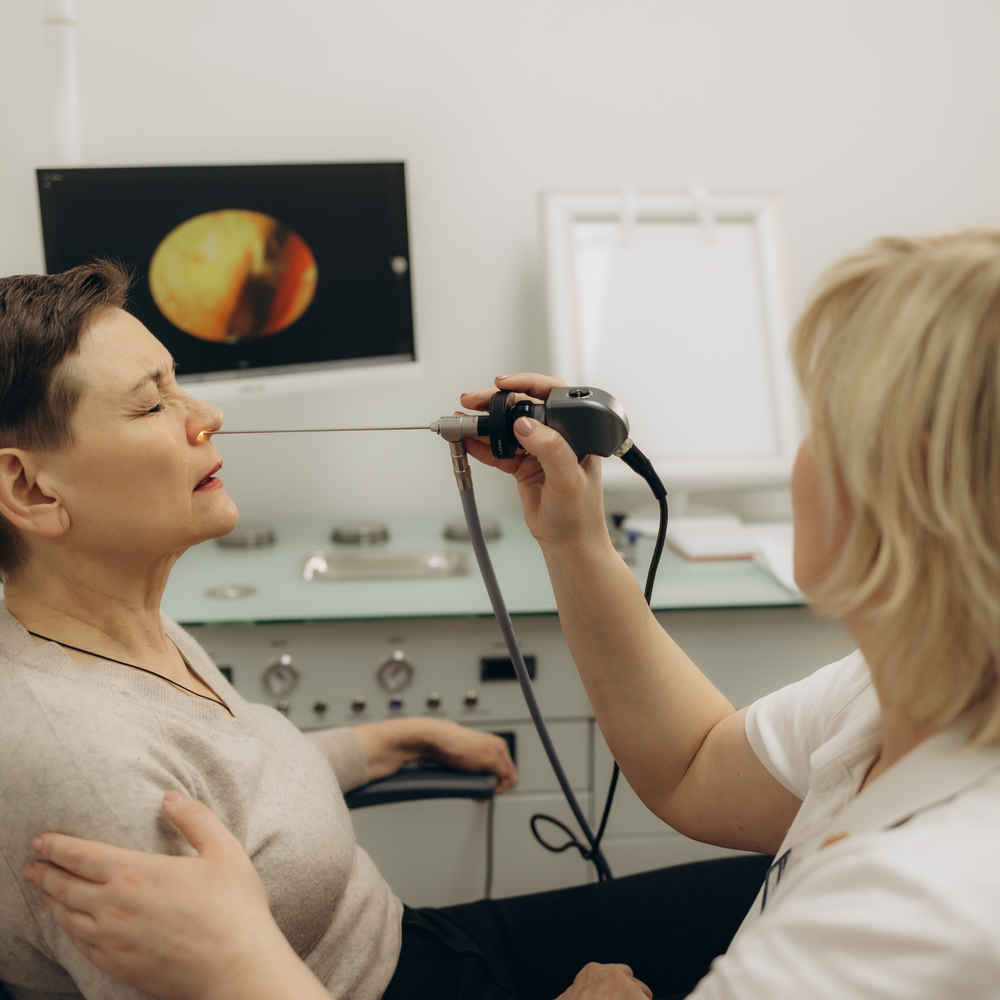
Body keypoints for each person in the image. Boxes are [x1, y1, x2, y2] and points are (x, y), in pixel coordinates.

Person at [15, 225, 1000, 997]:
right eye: (152, 403)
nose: (206, 415)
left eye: (827, 429)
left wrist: (244, 970)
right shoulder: (903, 699)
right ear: (29, 491)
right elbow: (699, 763)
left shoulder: (923, 911)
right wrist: (569, 539)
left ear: (915, 506)